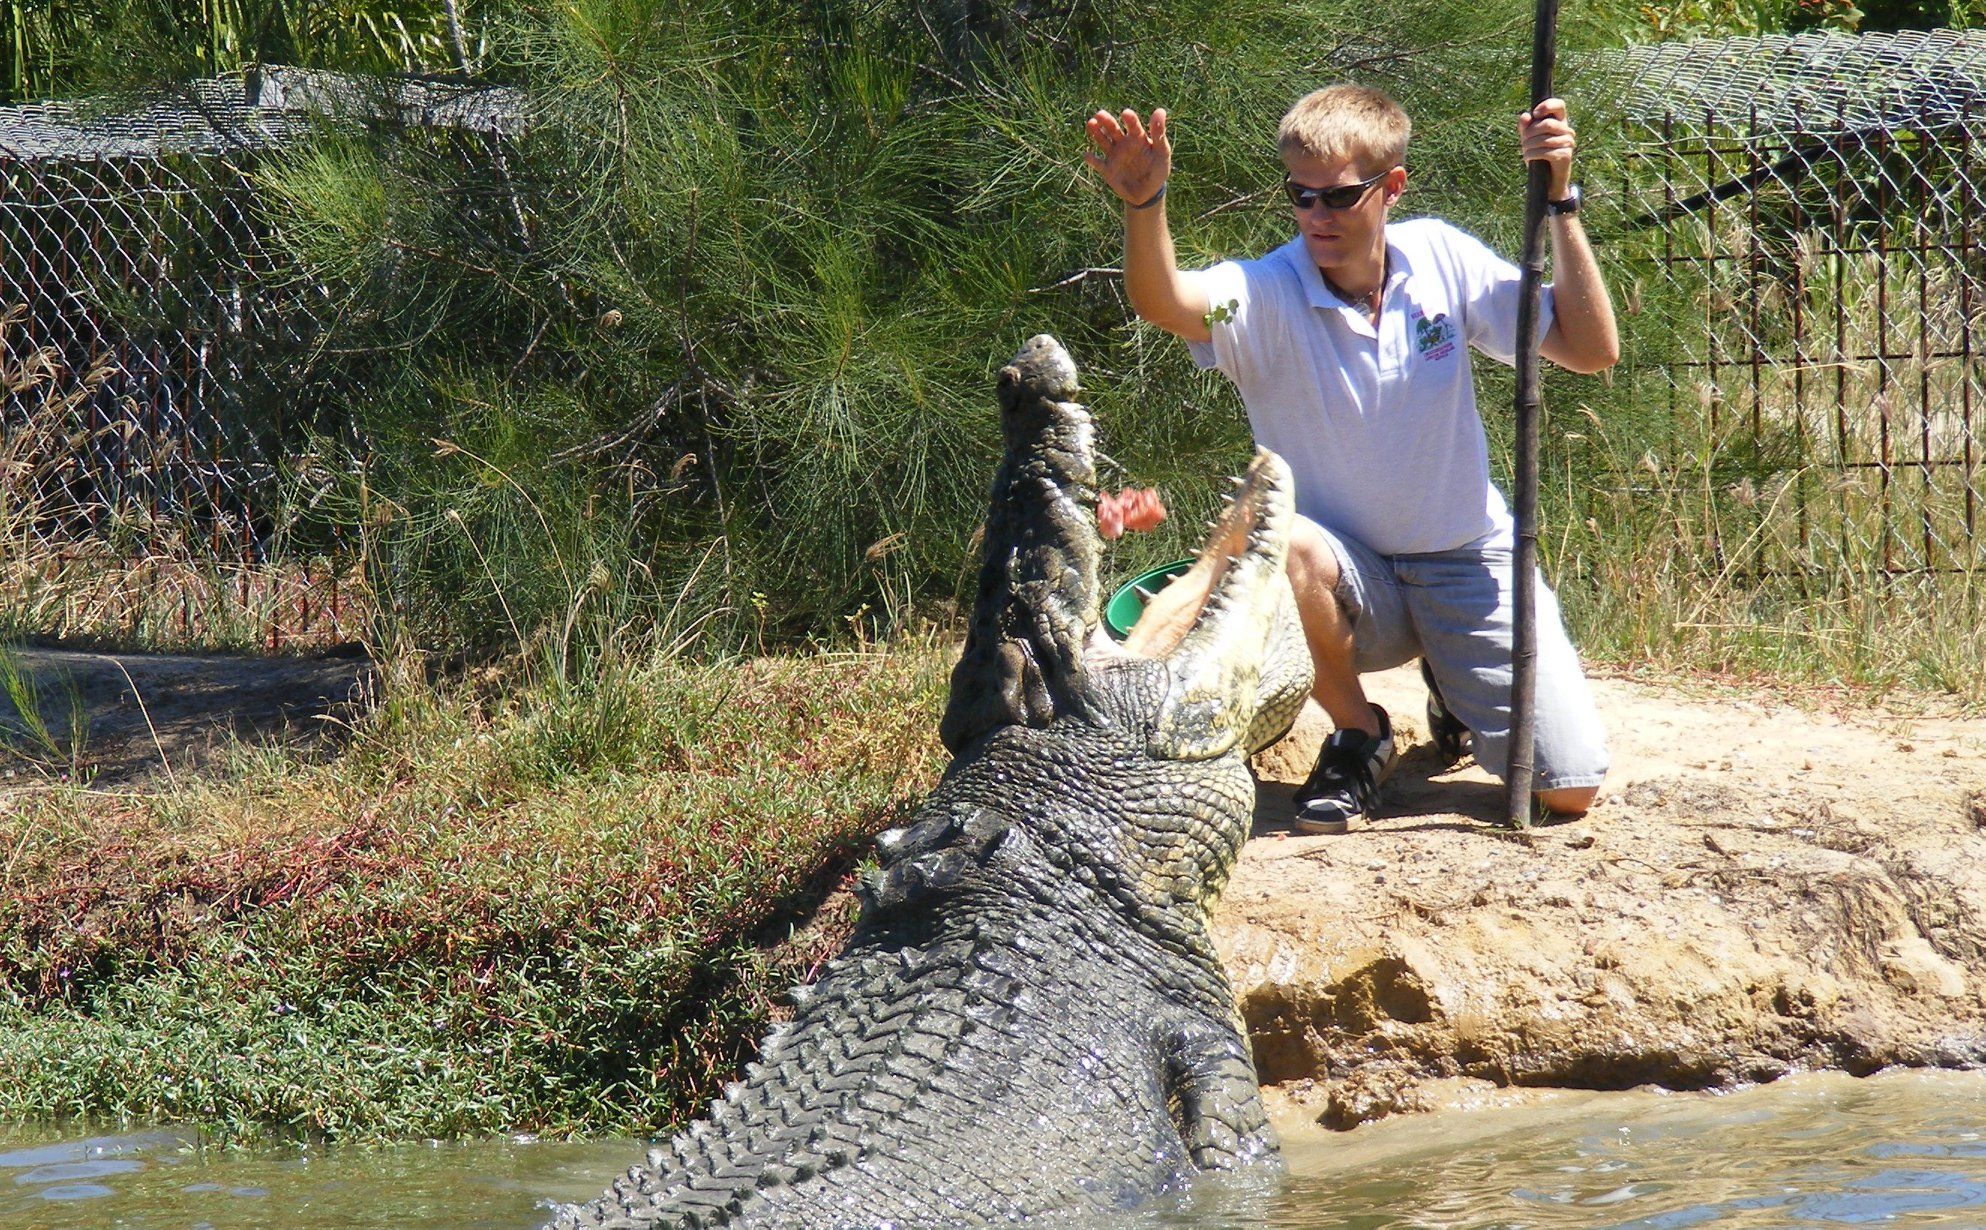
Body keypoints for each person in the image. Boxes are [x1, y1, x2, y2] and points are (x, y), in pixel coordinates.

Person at [1082, 84, 1619, 834]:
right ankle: (1358, 732)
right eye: (1300, 197)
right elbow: (1169, 301)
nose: (1315, 219)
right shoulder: (1263, 293)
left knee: (1566, 790)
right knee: (1289, 539)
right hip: (1343, 577)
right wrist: (1146, 206)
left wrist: (1560, 201)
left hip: (1467, 559)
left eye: (1336, 198)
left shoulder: (1442, 259)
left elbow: (1592, 351)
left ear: (1391, 186)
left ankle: (1450, 677)